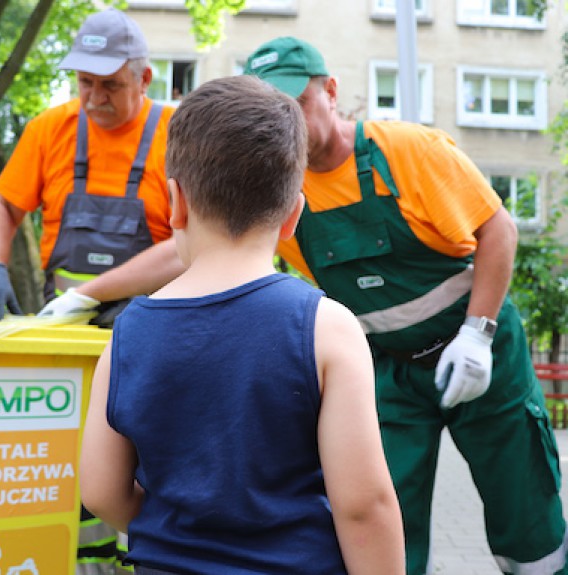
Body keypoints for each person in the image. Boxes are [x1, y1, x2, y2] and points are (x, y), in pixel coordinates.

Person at [57, 37, 568, 575]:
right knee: (393, 504)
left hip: (476, 351)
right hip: (389, 366)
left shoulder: (411, 150)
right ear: (293, 216)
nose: (290, 123)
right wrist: (87, 291)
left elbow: (499, 229)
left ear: (330, 90)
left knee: (523, 507)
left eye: (296, 102)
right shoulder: (295, 231)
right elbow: (366, 507)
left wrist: (478, 332)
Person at [80, 74, 405, 575]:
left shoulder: (127, 336)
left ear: (176, 203)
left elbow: (100, 491)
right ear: (295, 212)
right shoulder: (326, 327)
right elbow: (364, 506)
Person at [0, 8, 183, 574]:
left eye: (111, 85)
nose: (95, 98)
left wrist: (97, 293)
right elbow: (2, 203)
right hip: (72, 341)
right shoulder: (50, 130)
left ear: (145, 79)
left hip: (157, 339)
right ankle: (87, 565)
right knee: (80, 466)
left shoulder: (178, 136)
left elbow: (189, 244)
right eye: (85, 82)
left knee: (151, 465)